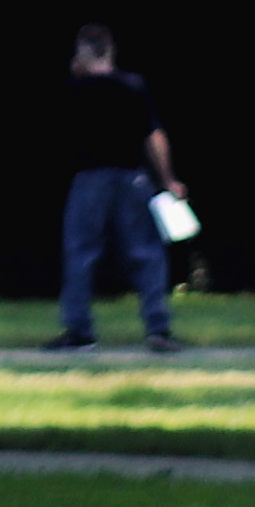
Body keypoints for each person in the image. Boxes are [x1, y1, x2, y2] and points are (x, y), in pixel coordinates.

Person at [51, 26, 184, 353]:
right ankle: (158, 328)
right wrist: (167, 179)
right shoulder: (132, 86)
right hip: (132, 178)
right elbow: (154, 136)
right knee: (146, 253)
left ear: (82, 52)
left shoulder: (74, 90)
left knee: (81, 253)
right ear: (111, 50)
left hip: (89, 178)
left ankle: (79, 331)